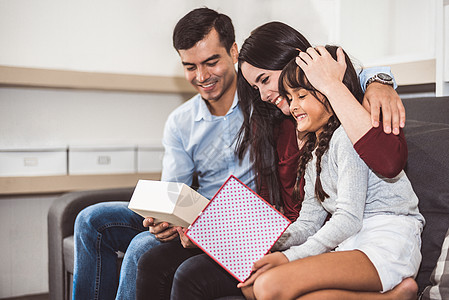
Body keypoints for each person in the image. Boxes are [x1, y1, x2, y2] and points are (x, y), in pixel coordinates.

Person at [136, 20, 409, 300]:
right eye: (256, 87)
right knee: (150, 260)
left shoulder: (340, 118)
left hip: (333, 240)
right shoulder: (276, 124)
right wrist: (213, 231)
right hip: (286, 234)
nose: (264, 96)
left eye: (265, 80)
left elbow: (384, 165)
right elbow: (287, 211)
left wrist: (379, 80)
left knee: (190, 275)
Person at [71, 7, 256, 300]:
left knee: (143, 246)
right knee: (90, 219)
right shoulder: (181, 121)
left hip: (237, 221)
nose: (202, 76)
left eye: (211, 62)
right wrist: (163, 218)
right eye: (190, 66)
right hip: (193, 210)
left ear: (234, 52)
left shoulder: (266, 105)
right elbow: (172, 193)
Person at [238, 45, 424, 300]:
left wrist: (288, 258)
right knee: (251, 286)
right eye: (290, 98)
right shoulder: (315, 151)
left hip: (385, 240)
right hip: (351, 241)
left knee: (268, 286)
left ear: (328, 92)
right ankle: (394, 297)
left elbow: (349, 218)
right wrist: (271, 241)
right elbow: (308, 223)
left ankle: (393, 296)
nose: (293, 106)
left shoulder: (348, 136)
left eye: (301, 96)